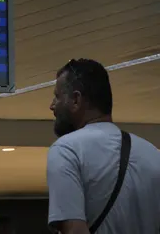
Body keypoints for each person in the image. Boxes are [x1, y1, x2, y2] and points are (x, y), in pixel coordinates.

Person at [47, 58, 160, 234]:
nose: (52, 106)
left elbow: (75, 230)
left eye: (57, 96)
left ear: (76, 100)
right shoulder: (152, 153)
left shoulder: (67, 150)